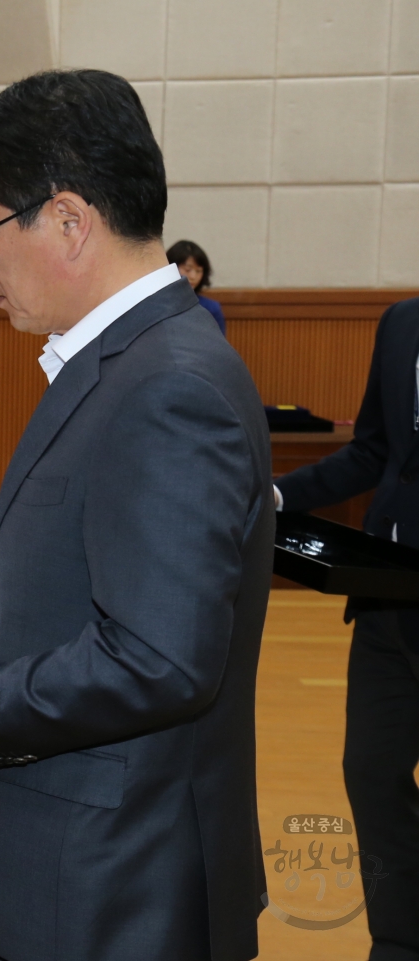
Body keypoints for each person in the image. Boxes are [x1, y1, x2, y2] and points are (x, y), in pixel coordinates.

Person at [0, 70, 273, 961]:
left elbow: (160, 659)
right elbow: (129, 589)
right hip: (83, 878)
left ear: (70, 219)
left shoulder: (169, 385)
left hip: (117, 891)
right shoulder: (131, 361)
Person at [274, 295, 419, 961]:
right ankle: (396, 939)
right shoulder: (400, 323)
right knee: (371, 770)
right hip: (385, 599)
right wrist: (273, 494)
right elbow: (372, 452)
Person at [167, 239, 226, 335]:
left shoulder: (211, 308)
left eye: (198, 271)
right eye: (187, 269)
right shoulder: (159, 304)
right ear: (171, 268)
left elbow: (219, 347)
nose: (193, 276)